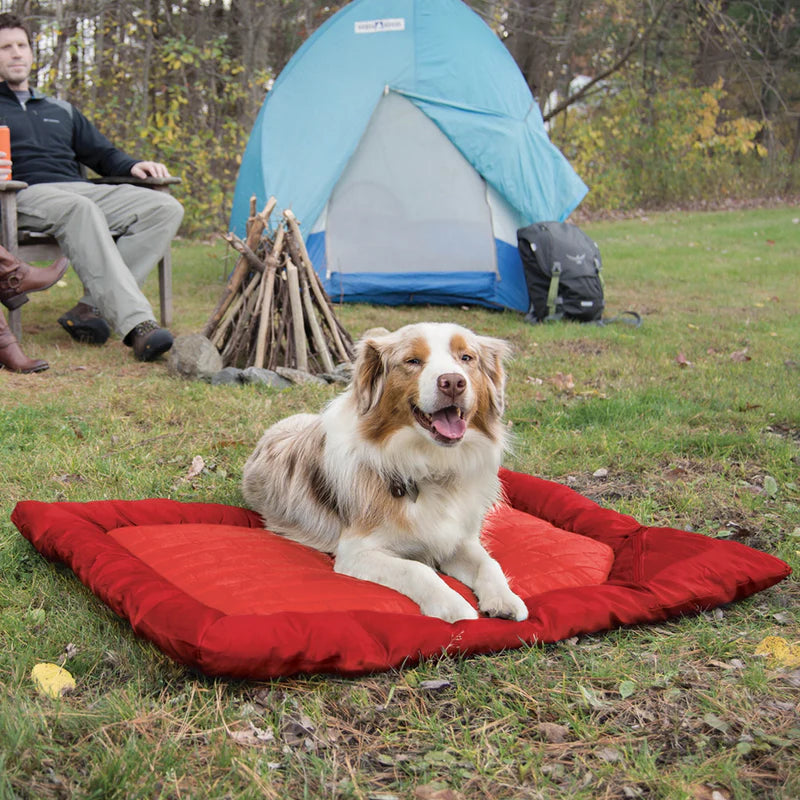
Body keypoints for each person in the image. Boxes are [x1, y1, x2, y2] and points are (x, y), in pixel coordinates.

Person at [0, 12, 184, 363]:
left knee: (164, 208)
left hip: (77, 188)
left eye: (21, 45)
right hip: (22, 194)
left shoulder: (61, 109)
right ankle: (138, 326)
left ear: (31, 53)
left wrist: (132, 165)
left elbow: (101, 153)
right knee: (81, 210)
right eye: (6, 47)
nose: (16, 53)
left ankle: (89, 310)